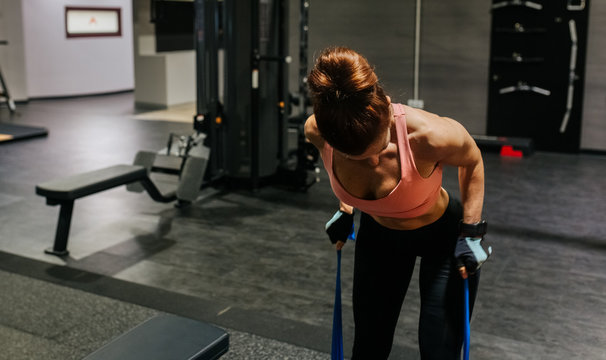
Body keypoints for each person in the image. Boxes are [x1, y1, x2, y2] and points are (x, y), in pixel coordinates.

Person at [304, 47, 492, 359]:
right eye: (360, 158)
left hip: (442, 237)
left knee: (439, 348)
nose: (375, 160)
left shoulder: (431, 135)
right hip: (380, 237)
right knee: (368, 345)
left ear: (387, 112)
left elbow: (473, 162)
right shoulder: (319, 131)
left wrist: (471, 231)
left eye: (379, 147)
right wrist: (345, 209)